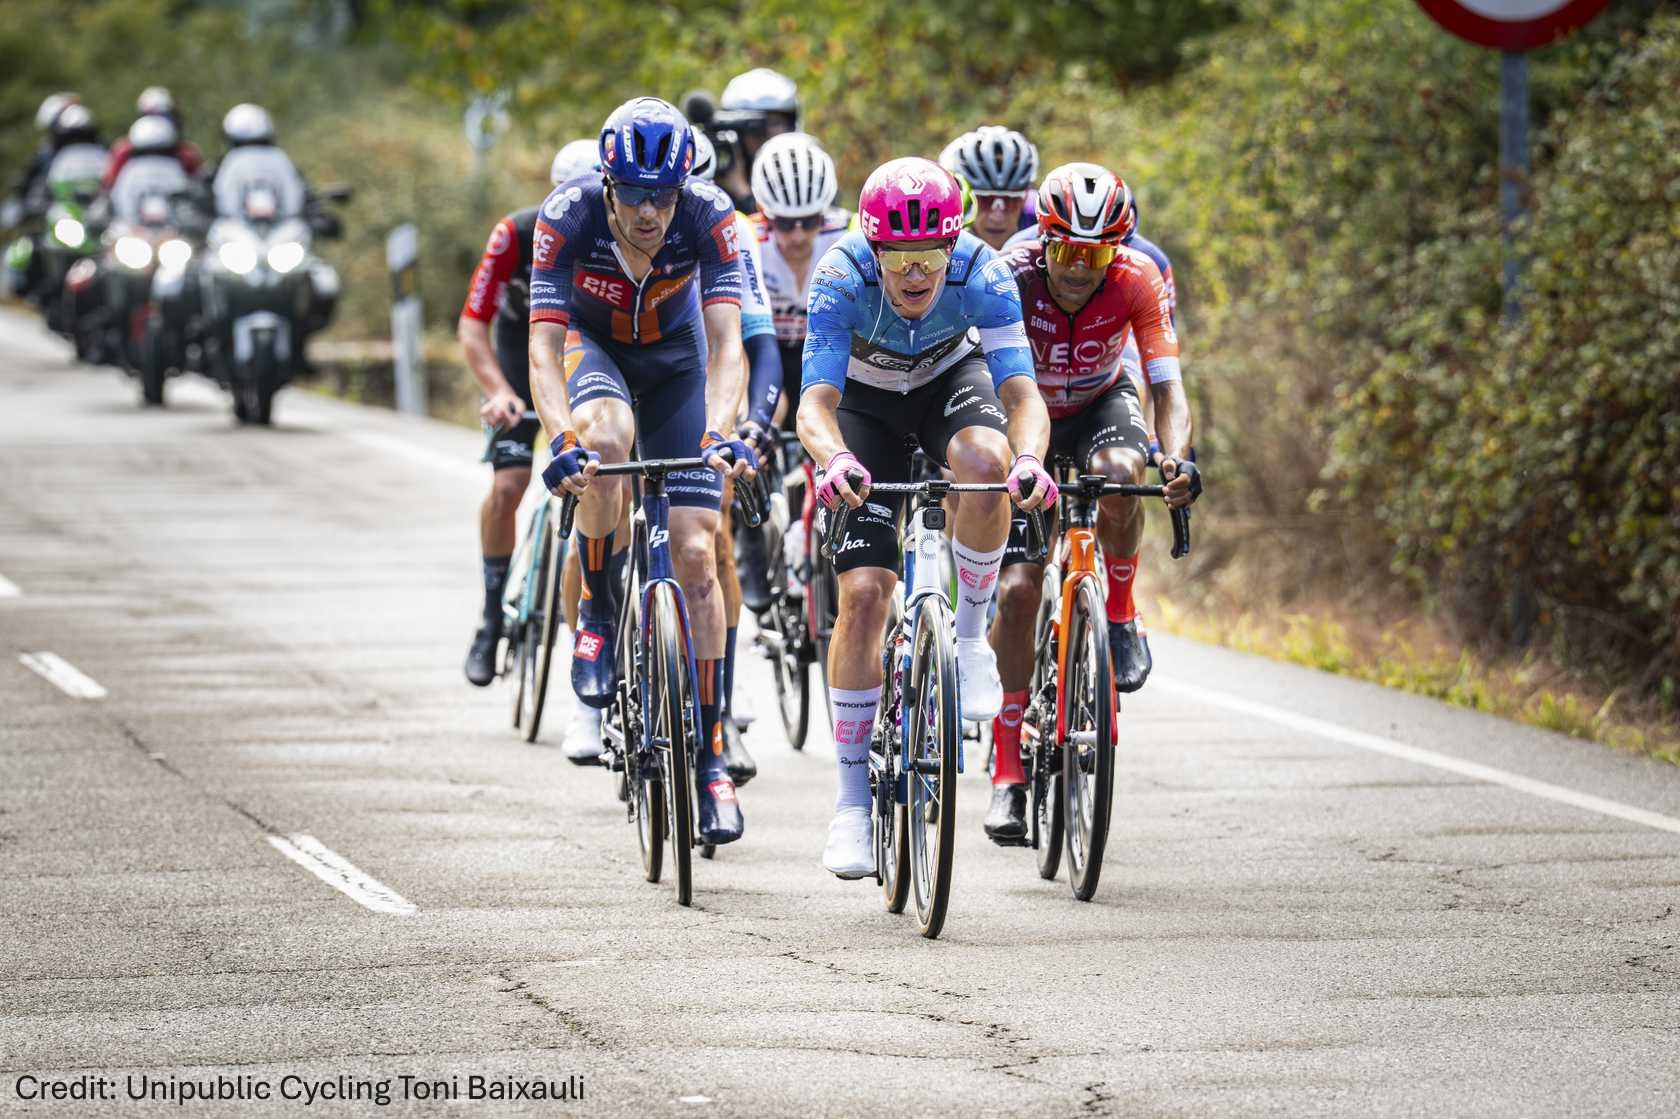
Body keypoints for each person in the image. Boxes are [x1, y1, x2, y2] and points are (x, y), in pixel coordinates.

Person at [795, 157, 1054, 877]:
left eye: (930, 257)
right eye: (899, 258)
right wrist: (834, 459)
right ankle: (852, 805)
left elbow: (1022, 395)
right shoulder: (840, 274)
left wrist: (1028, 460)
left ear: (952, 245)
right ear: (874, 248)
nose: (915, 274)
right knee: (864, 595)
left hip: (947, 384)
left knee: (985, 461)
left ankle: (969, 640)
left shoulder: (983, 272)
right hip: (864, 404)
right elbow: (814, 404)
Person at [527, 97, 758, 845]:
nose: (651, 211)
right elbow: (542, 348)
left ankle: (712, 753)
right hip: (594, 353)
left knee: (696, 551)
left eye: (664, 195)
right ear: (608, 185)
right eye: (634, 194)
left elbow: (728, 345)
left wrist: (720, 430)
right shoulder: (567, 216)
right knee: (604, 439)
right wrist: (560, 437)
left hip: (679, 364)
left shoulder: (710, 215)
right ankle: (598, 608)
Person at [982, 162, 1201, 842]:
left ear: (1118, 250)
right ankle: (1009, 768)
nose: (1080, 268)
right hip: (1025, 414)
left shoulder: (1139, 277)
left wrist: (1176, 458)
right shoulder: (1009, 274)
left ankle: (1120, 612)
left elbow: (1167, 387)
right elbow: (972, 375)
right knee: (1019, 590)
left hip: (1102, 401)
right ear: (1043, 239)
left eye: (1097, 254)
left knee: (1121, 471)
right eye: (1068, 252)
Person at [458, 143, 599, 732]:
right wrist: (498, 391)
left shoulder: (616, 238)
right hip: (522, 359)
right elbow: (473, 325)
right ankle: (491, 612)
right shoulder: (514, 234)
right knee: (509, 485)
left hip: (582, 358)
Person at [687, 128, 779, 784]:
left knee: (713, 534)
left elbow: (758, 341)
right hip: (632, 378)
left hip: (709, 385)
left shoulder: (730, 230)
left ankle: (720, 702)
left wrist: (751, 424)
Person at [711, 68, 800, 211]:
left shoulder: (805, 174)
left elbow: (790, 223)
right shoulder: (716, 173)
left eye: (774, 123)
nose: (765, 134)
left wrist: (741, 191)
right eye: (752, 126)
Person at [939, 126, 1039, 252]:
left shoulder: (1039, 211)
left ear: (1025, 196)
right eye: (985, 200)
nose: (997, 217)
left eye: (1011, 200)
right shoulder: (941, 218)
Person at [101, 87, 203, 193]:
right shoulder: (123, 149)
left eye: (163, 116)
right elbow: (109, 182)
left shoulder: (186, 152)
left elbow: (198, 183)